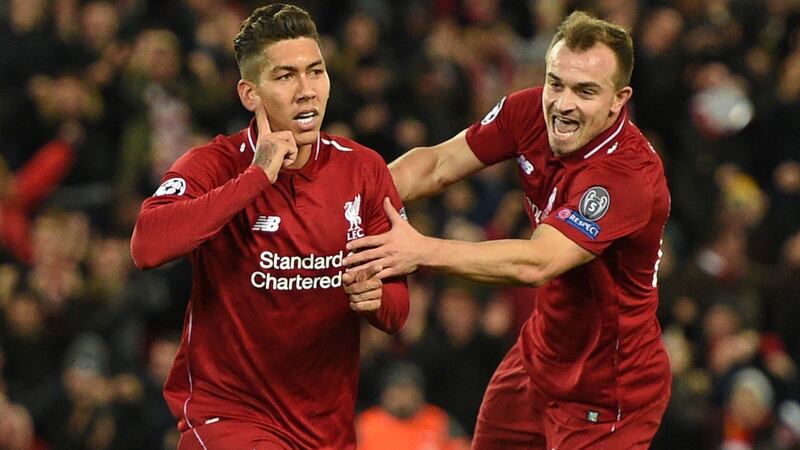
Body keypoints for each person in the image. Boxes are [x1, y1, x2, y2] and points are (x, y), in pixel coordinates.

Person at [344, 11, 671, 449]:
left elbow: (538, 262)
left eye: (586, 91)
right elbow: (438, 164)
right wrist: (345, 203)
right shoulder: (528, 111)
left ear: (619, 99)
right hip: (539, 358)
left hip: (607, 387)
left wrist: (419, 249)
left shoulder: (628, 176)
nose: (563, 103)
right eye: (556, 83)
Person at [129, 4, 409, 450]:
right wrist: (256, 177)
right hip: (228, 418)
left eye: (316, 72)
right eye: (285, 76)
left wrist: (374, 299)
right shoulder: (215, 164)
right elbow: (147, 245)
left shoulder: (364, 170)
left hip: (325, 428)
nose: (307, 91)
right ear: (249, 94)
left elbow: (397, 309)